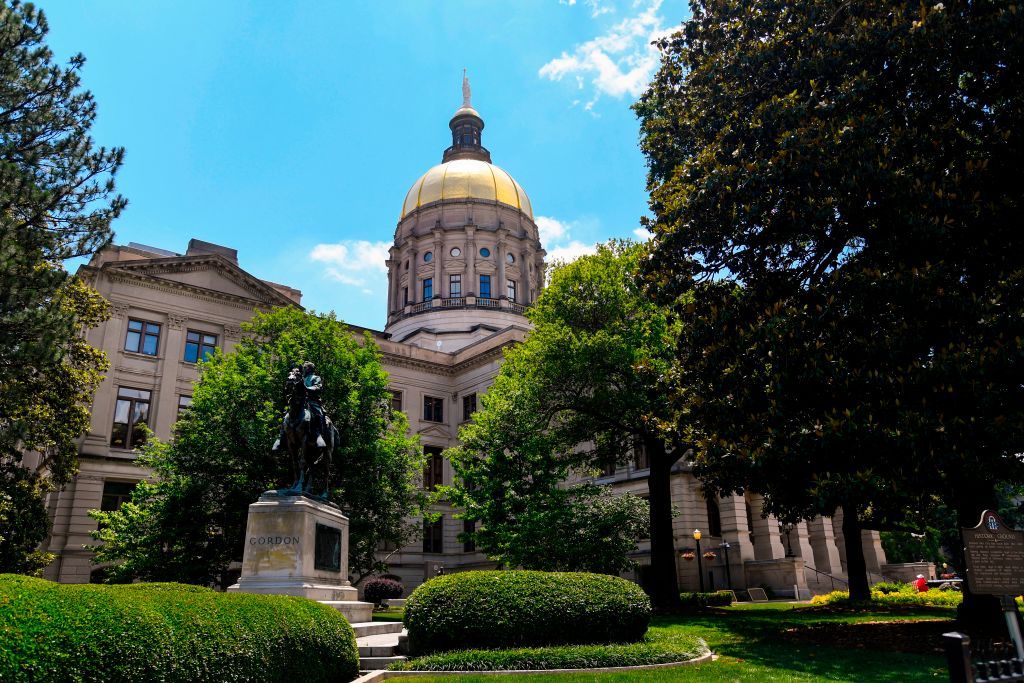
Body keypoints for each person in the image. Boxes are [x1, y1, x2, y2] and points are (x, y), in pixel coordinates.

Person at [302, 361, 327, 448]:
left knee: (318, 414)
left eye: (305, 368)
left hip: (312, 401)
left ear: (309, 369)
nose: (303, 370)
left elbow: (318, 387)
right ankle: (282, 435)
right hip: (301, 402)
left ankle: (318, 435)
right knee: (288, 413)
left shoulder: (316, 377)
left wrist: (307, 388)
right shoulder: (302, 378)